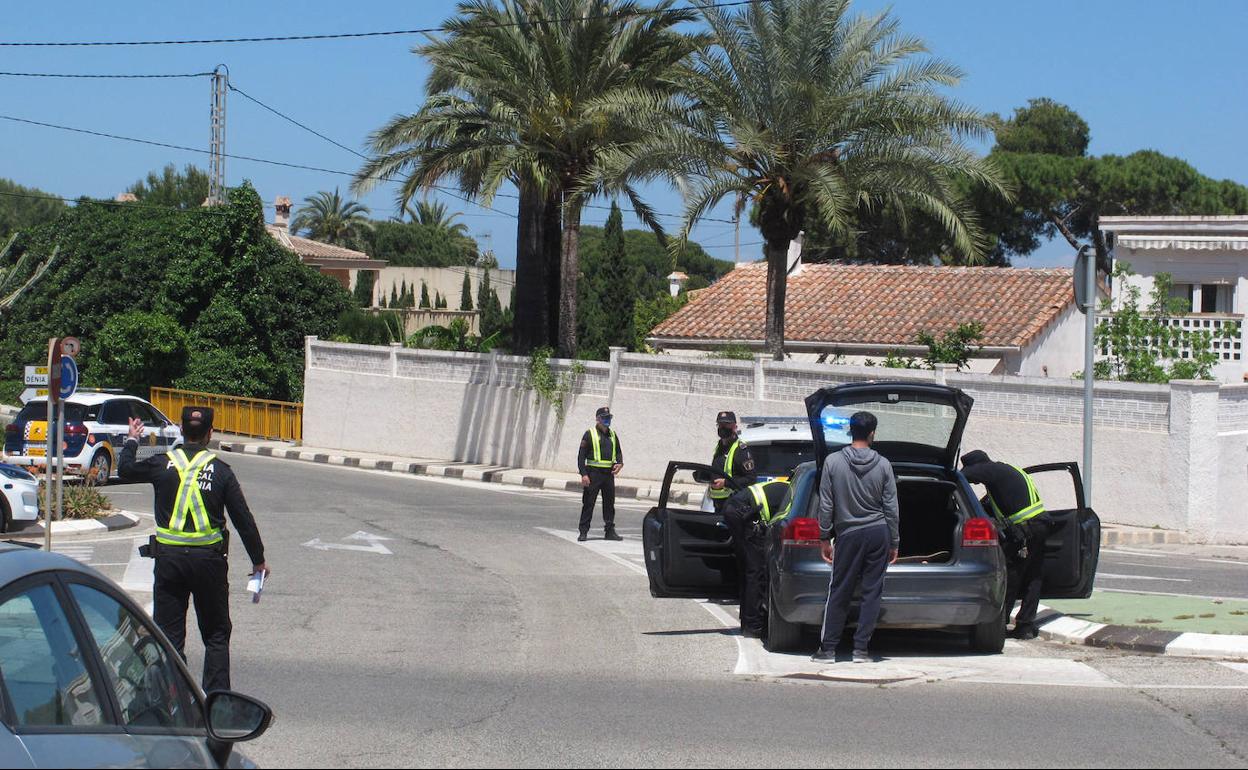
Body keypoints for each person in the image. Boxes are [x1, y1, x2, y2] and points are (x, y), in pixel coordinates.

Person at [119, 406, 268, 692]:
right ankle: (216, 703)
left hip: (169, 562)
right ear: (210, 433)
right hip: (208, 564)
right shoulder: (221, 472)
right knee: (216, 635)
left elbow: (125, 468)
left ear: (181, 429)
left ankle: (173, 699)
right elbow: (243, 520)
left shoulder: (162, 463)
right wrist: (258, 561)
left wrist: (132, 439)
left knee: (169, 637)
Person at [812, 412, 898, 664]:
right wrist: (894, 541)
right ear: (872, 433)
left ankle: (828, 650)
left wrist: (824, 537)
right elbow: (892, 508)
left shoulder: (833, 461)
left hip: (848, 534)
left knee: (840, 590)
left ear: (850, 431)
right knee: (872, 592)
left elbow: (826, 504)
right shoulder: (884, 464)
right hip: (878, 532)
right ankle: (861, 650)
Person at [961, 450, 1052, 640]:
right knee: (1033, 577)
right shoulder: (1008, 471)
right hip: (1040, 526)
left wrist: (953, 475)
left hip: (1026, 531)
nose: (977, 482)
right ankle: (1025, 627)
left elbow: (963, 476)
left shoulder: (991, 470)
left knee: (1011, 576)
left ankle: (999, 624)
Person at [721, 479, 791, 638]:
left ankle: (747, 622)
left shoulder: (785, 487)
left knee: (747, 570)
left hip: (734, 508)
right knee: (756, 571)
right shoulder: (794, 495)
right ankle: (754, 625)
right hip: (745, 514)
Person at [577, 406, 623, 542]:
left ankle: (609, 531)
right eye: (604, 418)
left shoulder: (613, 434)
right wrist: (583, 474)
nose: (607, 420)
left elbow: (619, 452)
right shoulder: (589, 434)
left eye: (608, 417)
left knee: (609, 504)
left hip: (608, 474)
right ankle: (583, 531)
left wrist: (620, 463)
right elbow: (581, 456)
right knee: (588, 503)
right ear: (597, 419)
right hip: (593, 474)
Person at [708, 411, 757, 512]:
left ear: (735, 426)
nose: (723, 427)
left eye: (727, 424)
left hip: (734, 506)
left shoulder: (740, 450)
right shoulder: (719, 446)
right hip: (718, 505)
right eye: (720, 424)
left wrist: (726, 483)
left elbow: (751, 479)